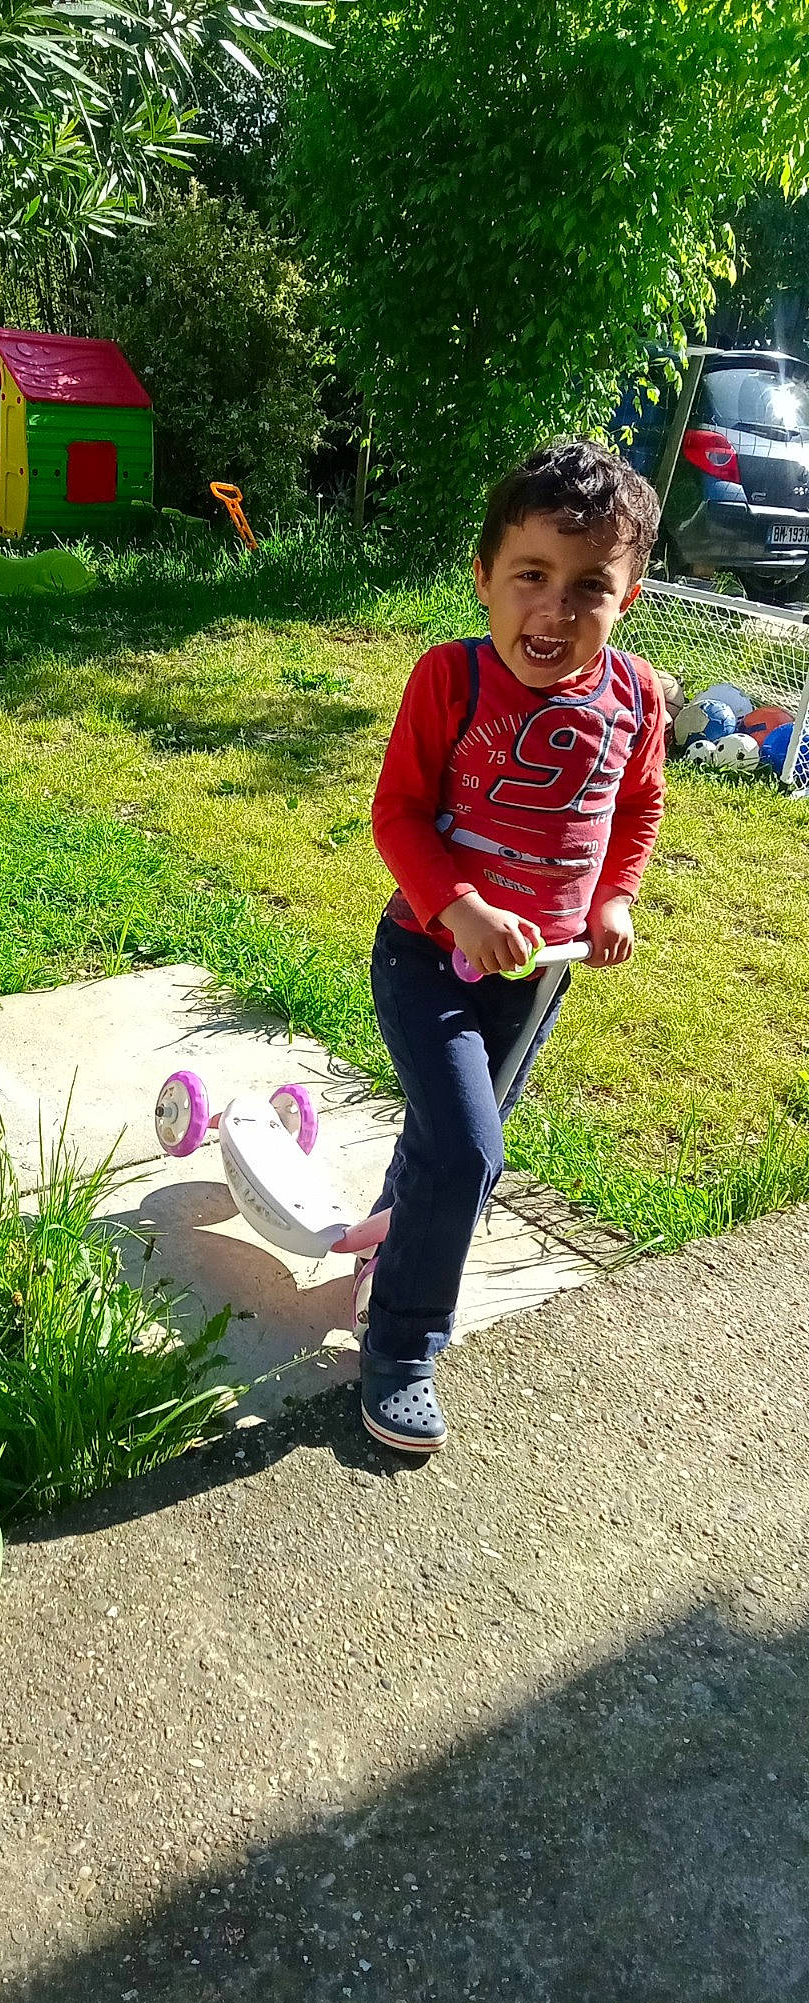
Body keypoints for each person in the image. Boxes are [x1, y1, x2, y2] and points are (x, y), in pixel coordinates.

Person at [361, 439, 666, 1454]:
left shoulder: (638, 701)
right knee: (470, 1148)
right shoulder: (449, 679)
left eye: (590, 587)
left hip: (538, 980)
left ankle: (390, 1240)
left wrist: (616, 899)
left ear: (630, 594)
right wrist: (461, 908)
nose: (555, 609)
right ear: (484, 575)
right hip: (428, 957)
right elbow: (398, 813)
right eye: (531, 575)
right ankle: (401, 1347)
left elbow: (638, 809)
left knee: (448, 1147)